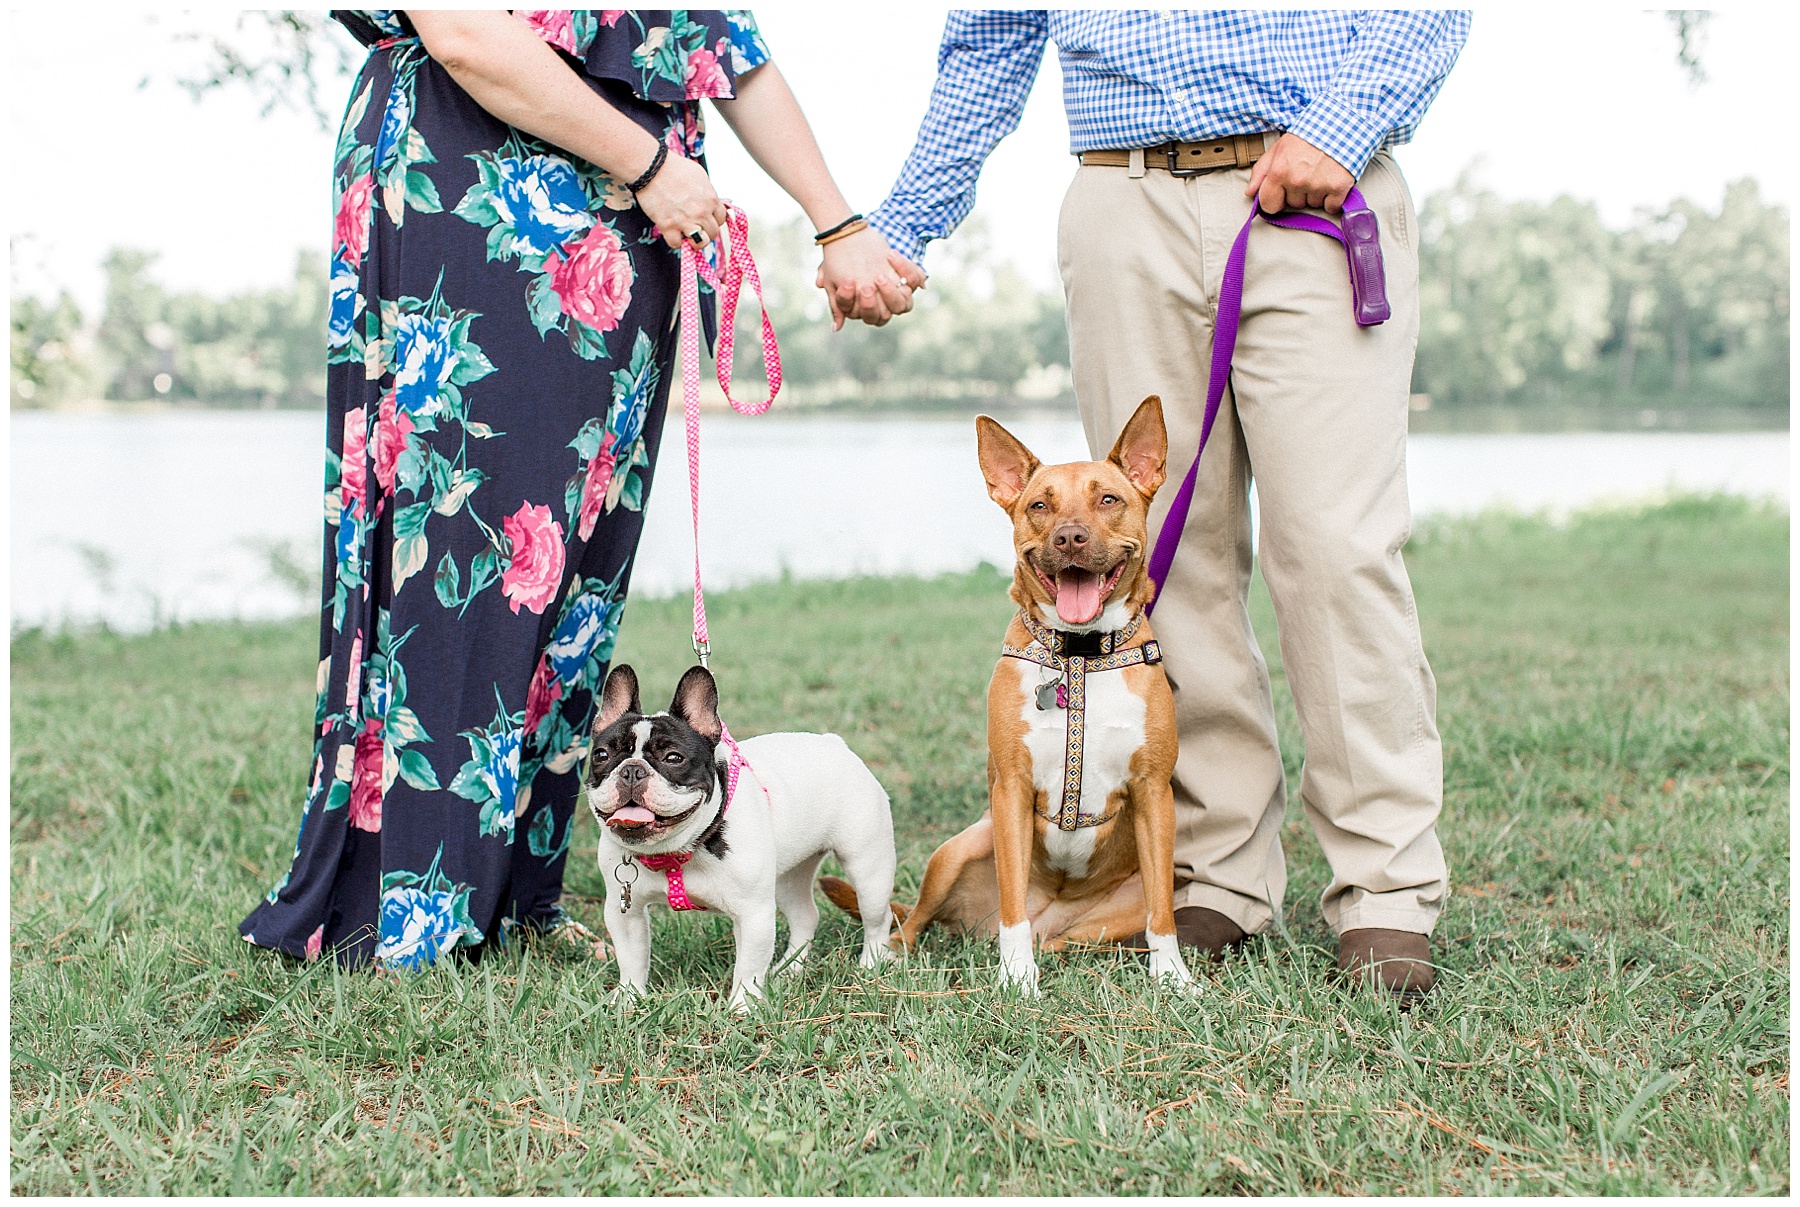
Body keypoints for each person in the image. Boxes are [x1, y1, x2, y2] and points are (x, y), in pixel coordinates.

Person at [242, 9, 922, 969]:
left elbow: (729, 52)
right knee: (465, 545)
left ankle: (517, 893)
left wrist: (839, 223)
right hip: (476, 186)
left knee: (569, 575)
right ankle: (407, 908)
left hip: (627, 226)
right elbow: (466, 32)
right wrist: (649, 164)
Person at [852, 11, 1471, 998]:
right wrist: (902, 222)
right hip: (1122, 197)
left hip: (1313, 178)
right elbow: (993, 34)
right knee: (1152, 556)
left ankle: (1387, 893)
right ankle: (1216, 870)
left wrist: (1343, 129)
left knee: (1336, 551)